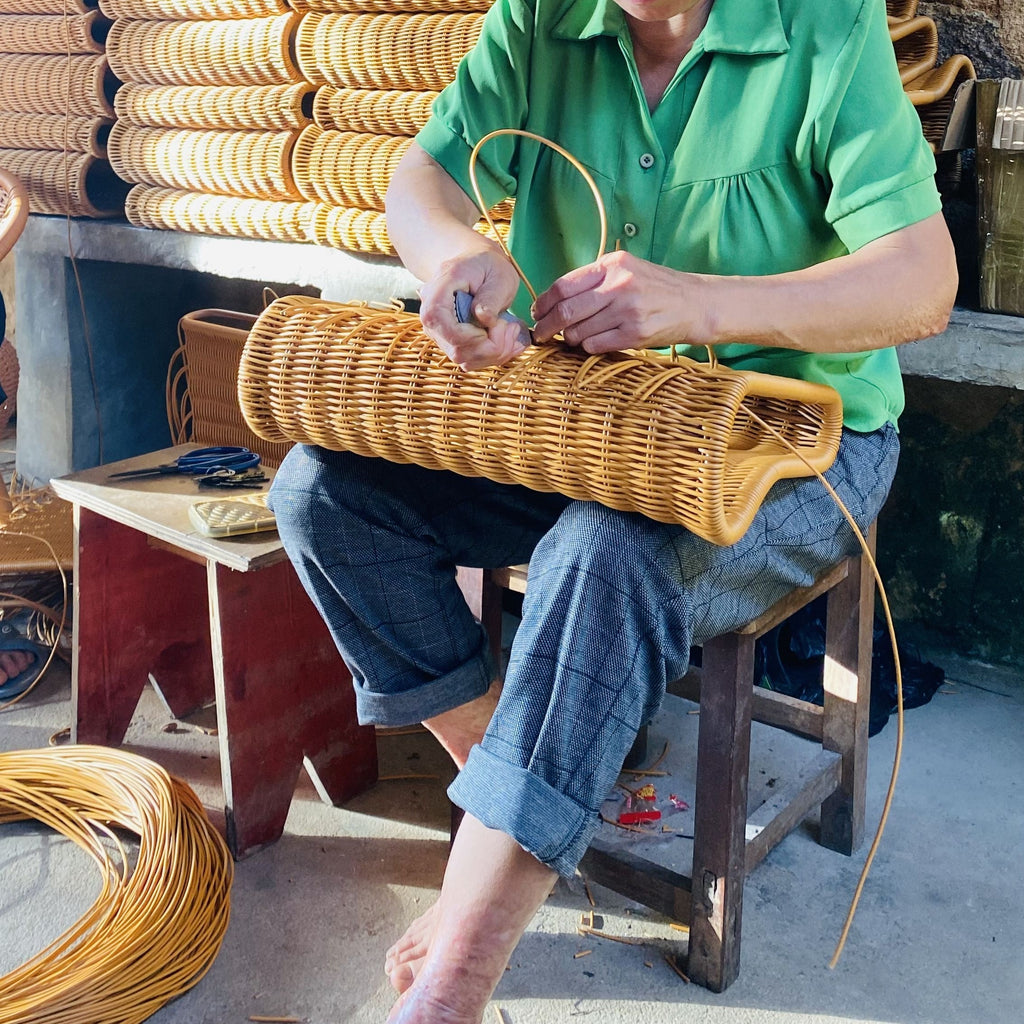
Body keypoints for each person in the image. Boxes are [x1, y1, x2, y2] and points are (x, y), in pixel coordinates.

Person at [269, 0, 958, 1020]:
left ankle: (461, 965)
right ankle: (517, 788)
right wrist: (455, 256)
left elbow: (922, 281)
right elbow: (423, 175)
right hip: (595, 422)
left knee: (605, 553)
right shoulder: (542, 19)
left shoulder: (824, 28)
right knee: (322, 491)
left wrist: (703, 302)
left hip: (799, 439)